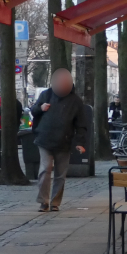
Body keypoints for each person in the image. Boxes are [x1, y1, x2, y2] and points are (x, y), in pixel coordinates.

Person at [30, 68, 87, 212]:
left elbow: (81, 124)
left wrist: (80, 142)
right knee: (45, 170)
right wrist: (40, 107)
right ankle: (44, 201)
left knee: (60, 174)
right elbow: (33, 110)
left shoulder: (76, 101)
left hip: (64, 141)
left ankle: (55, 202)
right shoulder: (46, 95)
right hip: (45, 138)